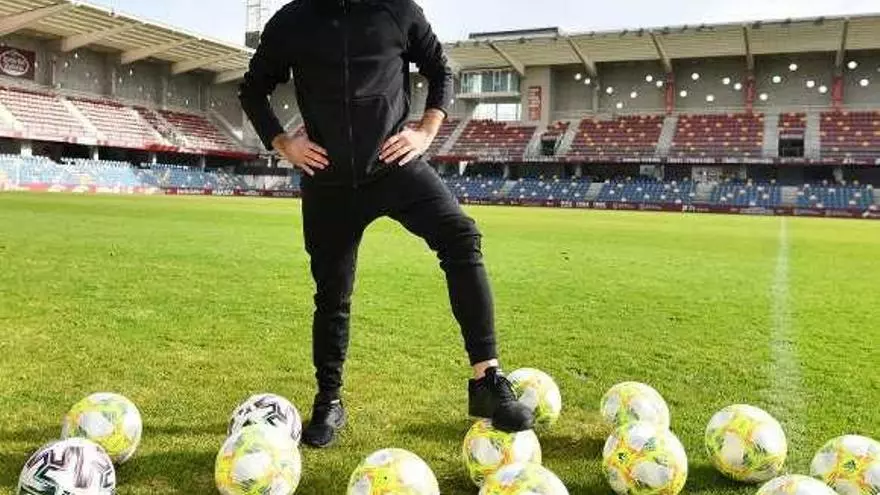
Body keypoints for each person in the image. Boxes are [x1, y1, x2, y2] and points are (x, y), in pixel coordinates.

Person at [239, 0, 534, 448]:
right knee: (332, 295)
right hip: (328, 178)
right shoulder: (293, 19)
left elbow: (440, 71)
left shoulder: (398, 10)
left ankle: (486, 379)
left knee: (460, 236)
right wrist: (283, 143)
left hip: (394, 166)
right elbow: (252, 89)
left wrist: (425, 131)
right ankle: (329, 400)